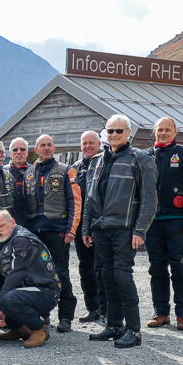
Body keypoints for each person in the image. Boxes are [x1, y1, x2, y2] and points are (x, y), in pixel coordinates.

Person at [82, 114, 157, 348]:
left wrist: (140, 230)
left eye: (119, 131)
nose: (114, 134)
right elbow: (89, 198)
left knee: (122, 276)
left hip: (125, 228)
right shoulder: (96, 161)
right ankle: (114, 325)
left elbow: (149, 199)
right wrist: (86, 227)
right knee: (107, 276)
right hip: (100, 228)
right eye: (110, 130)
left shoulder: (140, 159)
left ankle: (133, 330)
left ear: (128, 133)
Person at [145, 117, 183, 331]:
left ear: (175, 132)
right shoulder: (145, 156)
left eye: (167, 130)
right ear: (154, 132)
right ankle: (161, 313)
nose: (163, 133)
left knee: (180, 266)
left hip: (178, 220)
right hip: (152, 221)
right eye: (160, 129)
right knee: (156, 267)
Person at [23, 134, 81, 333]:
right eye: (42, 145)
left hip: (57, 231)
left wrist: (71, 230)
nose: (46, 148)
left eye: (49, 145)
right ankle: (42, 315)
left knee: (61, 273)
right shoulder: (28, 172)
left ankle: (66, 317)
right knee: (36, 275)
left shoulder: (65, 170)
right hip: (34, 233)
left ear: (54, 148)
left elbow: (75, 201)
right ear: (36, 149)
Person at [0, 210, 61, 348]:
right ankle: (21, 329)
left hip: (45, 290)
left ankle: (39, 329)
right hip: (27, 288)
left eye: (2, 226)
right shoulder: (7, 238)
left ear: (13, 222)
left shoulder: (22, 240)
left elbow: (17, 274)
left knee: (8, 299)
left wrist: (0, 307)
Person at [72, 131, 107, 322]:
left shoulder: (106, 163)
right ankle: (92, 308)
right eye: (84, 143)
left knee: (102, 268)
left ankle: (106, 308)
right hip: (80, 226)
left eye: (91, 143)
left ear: (99, 143)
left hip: (101, 225)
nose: (87, 146)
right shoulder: (76, 168)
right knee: (85, 268)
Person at [5, 137, 30, 226]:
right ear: (10, 153)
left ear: (27, 152)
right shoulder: (1, 172)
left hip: (31, 221)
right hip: (8, 222)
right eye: (15, 149)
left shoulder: (35, 171)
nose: (19, 152)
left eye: (22, 149)